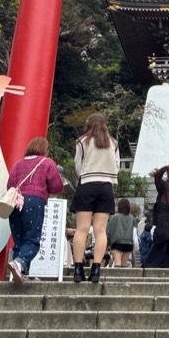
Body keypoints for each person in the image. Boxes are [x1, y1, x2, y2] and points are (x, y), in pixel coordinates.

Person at [6, 136, 64, 284]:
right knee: (32, 240)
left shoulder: (18, 164)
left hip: (15, 202)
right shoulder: (47, 162)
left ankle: (19, 275)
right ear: (44, 149)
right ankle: (19, 263)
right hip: (34, 201)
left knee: (19, 240)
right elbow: (56, 186)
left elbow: (10, 185)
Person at [71, 113, 119, 284]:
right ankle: (96, 269)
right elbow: (117, 166)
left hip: (87, 185)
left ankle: (78, 269)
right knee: (100, 231)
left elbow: (78, 166)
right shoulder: (113, 143)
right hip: (106, 187)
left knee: (82, 229)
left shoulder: (81, 142)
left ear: (88, 124)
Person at [106, 197, 137, 268]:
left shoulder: (114, 217)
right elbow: (135, 232)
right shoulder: (133, 218)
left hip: (117, 243)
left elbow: (109, 231)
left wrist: (107, 244)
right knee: (124, 264)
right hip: (129, 244)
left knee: (117, 263)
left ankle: (117, 278)